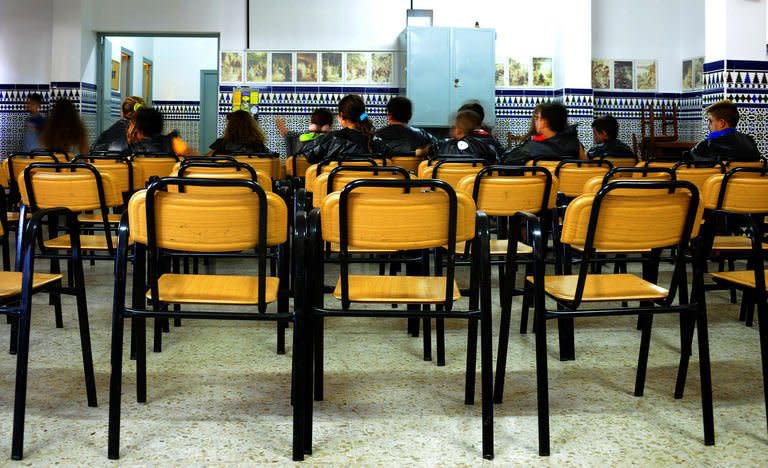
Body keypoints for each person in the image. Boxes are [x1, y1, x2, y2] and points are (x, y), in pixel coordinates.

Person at [298, 94, 386, 163]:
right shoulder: (375, 141)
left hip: (337, 185)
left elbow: (307, 152)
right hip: (369, 185)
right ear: (362, 115)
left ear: (341, 116)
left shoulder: (331, 139)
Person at [501, 102, 586, 163]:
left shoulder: (532, 147)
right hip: (568, 187)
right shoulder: (576, 144)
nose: (535, 121)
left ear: (545, 122)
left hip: (540, 187)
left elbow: (505, 162)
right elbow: (585, 169)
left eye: (537, 118)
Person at [690, 100, 761, 162]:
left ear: (721, 123)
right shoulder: (750, 142)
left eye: (710, 121)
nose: (708, 126)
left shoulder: (707, 145)